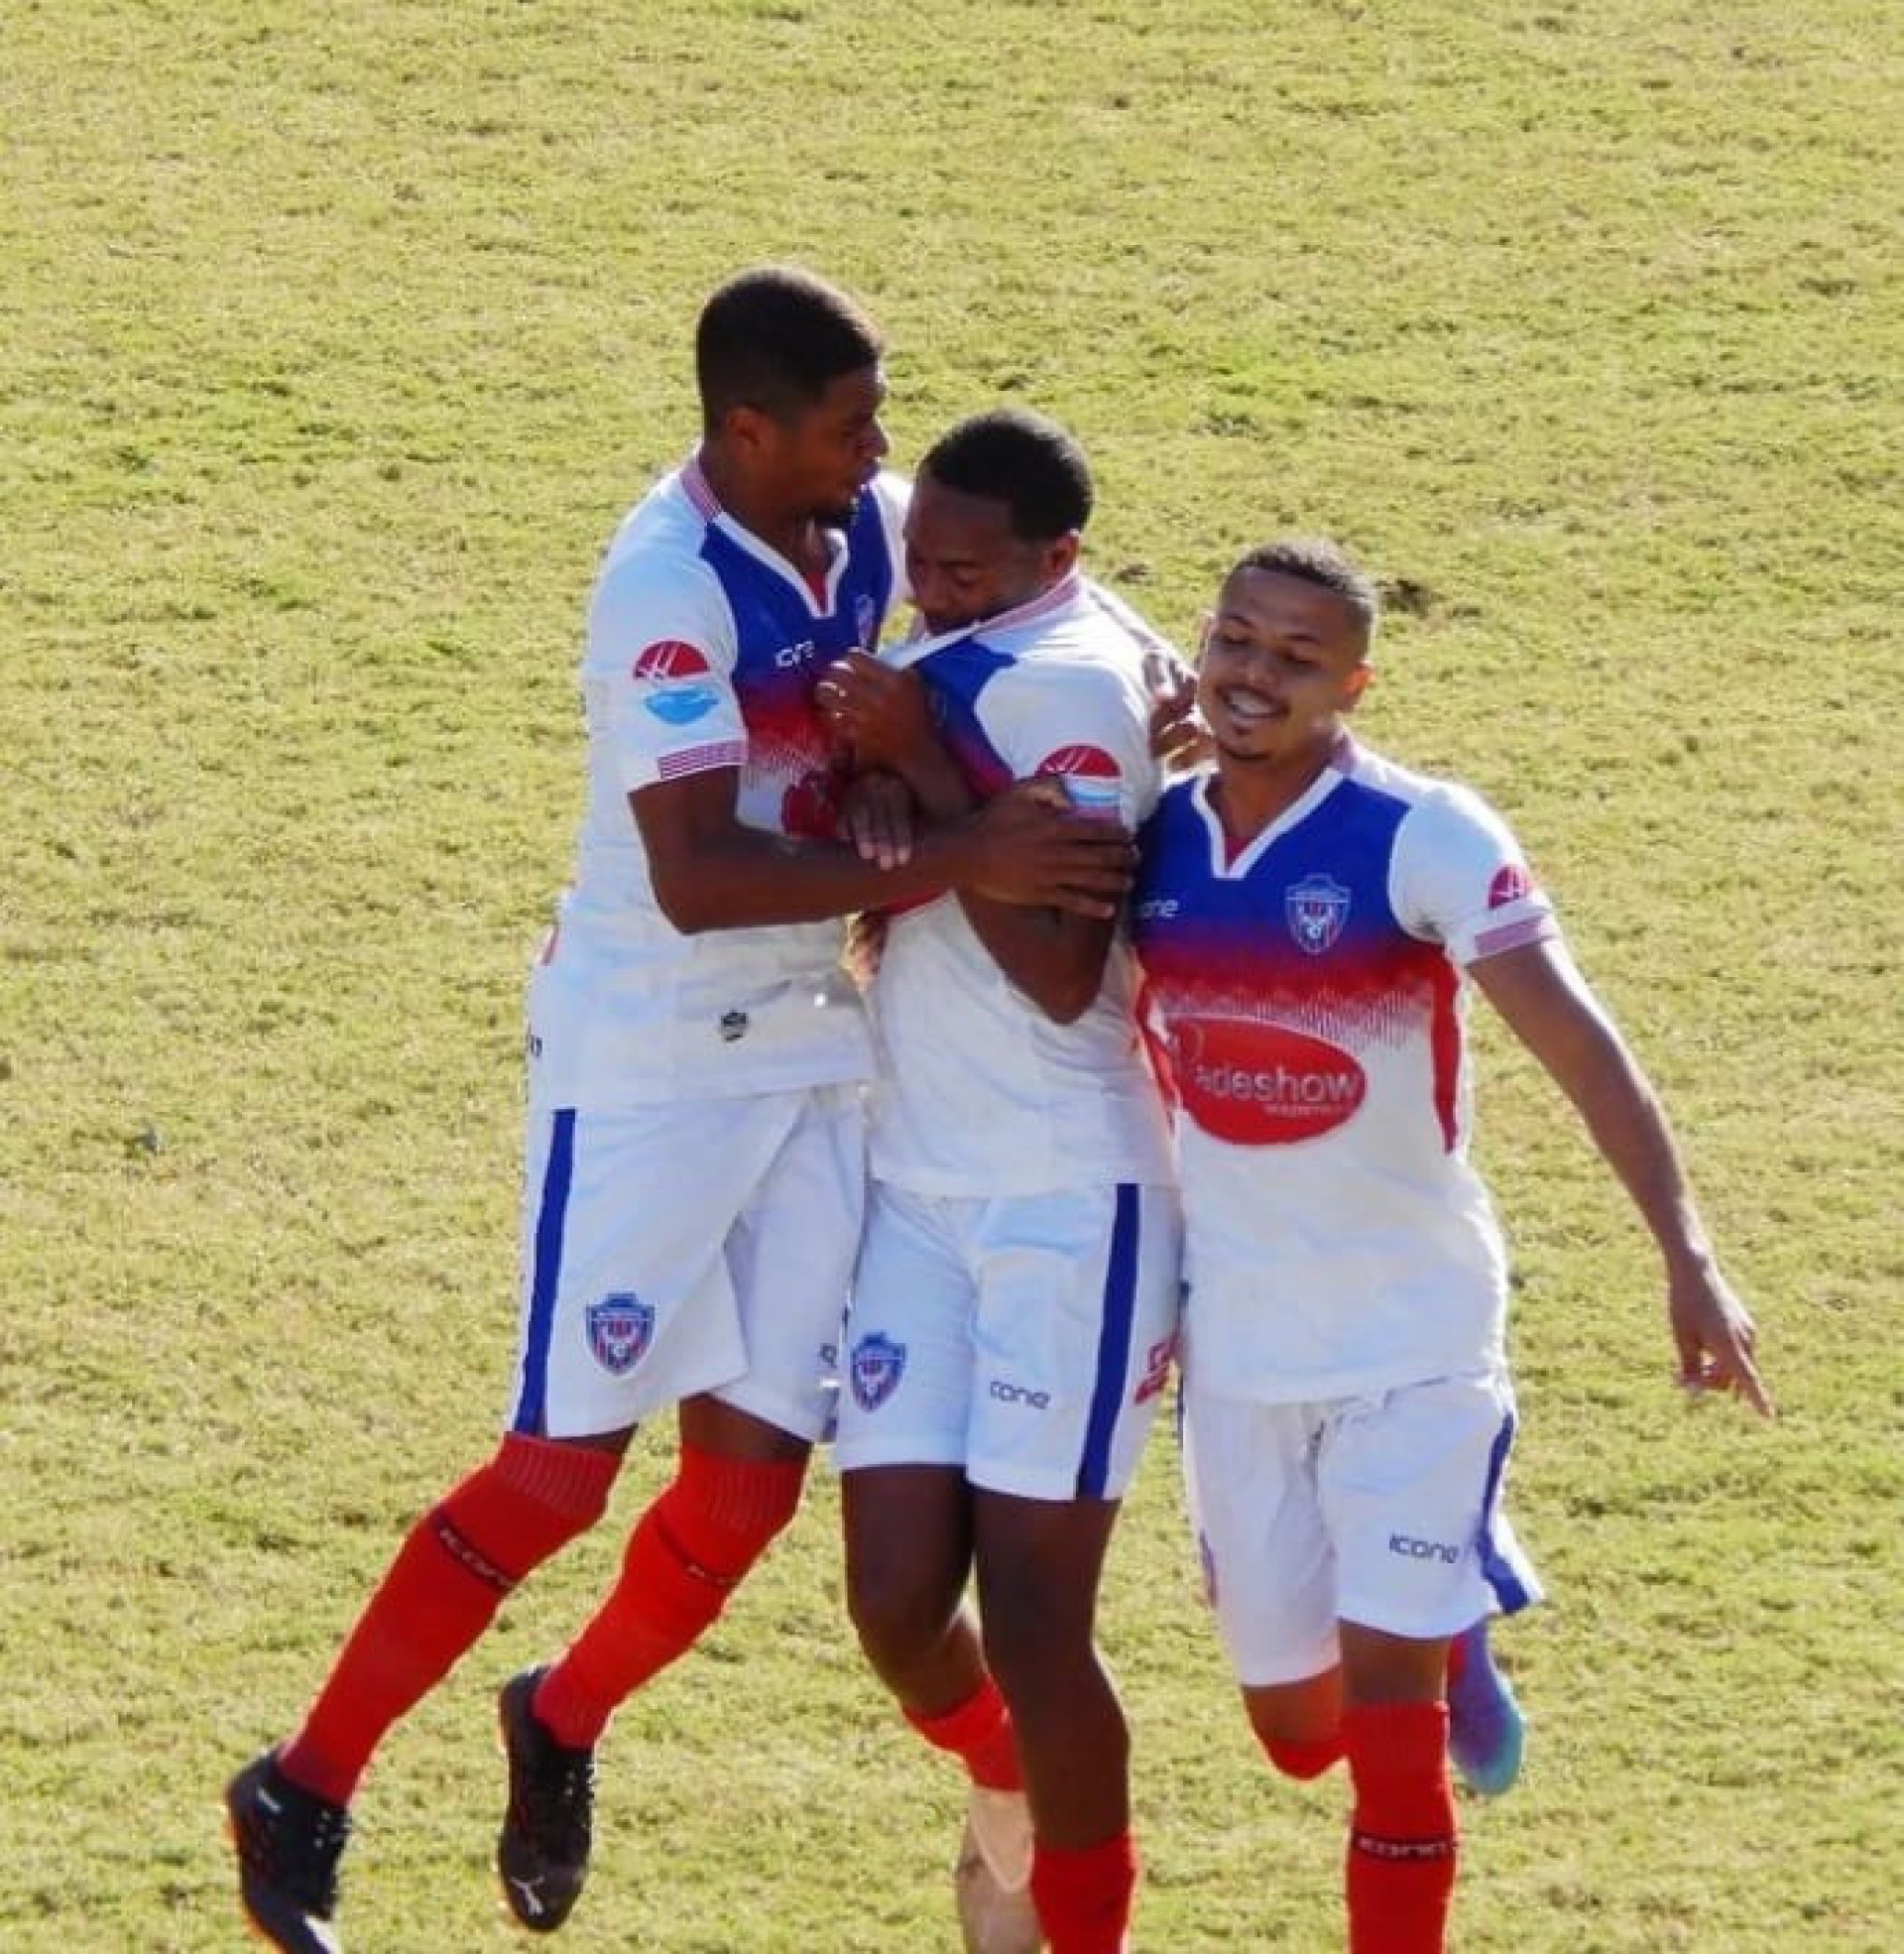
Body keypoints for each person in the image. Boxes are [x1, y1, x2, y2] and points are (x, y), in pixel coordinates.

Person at [223, 271, 1138, 1954]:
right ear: (748, 428)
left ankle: (558, 1717)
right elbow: (699, 870)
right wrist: (964, 853)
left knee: (743, 1495)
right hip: (650, 1060)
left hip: (813, 1050)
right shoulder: (662, 581)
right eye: (854, 424)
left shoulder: (861, 524)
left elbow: (989, 644)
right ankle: (303, 1781)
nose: (882, 453)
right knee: (557, 1475)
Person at [1127, 536, 1773, 1953]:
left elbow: (1582, 1049)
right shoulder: (1152, 834)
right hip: (1244, 1343)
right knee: (1299, 1734)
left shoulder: (1424, 834)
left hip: (1415, 1342)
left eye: (1299, 658)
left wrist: (1687, 1251)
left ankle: (1427, 1632)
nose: (1257, 675)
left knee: (1395, 1745)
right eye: (1237, 641)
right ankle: (1455, 1627)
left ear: (1353, 682)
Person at [815, 408, 1182, 1954]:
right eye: (924, 566)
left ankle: (1079, 1928)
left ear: (1056, 559)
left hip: (1064, 1199)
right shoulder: (971, 643)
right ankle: (1013, 1793)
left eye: (968, 570)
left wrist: (921, 762)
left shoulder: (1076, 689)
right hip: (916, 1185)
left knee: (1037, 1623)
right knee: (896, 1601)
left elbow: (1056, 967)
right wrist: (906, 794)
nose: (935, 591)